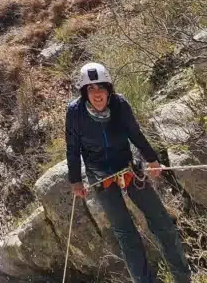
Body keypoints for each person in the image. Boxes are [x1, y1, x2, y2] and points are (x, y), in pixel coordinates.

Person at [66, 62, 191, 283]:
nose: (97, 94)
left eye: (101, 88)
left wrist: (152, 160)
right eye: (91, 89)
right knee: (126, 233)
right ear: (85, 93)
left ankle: (183, 278)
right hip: (100, 174)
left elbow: (135, 133)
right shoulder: (75, 113)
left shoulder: (120, 105)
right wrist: (76, 180)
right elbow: (73, 148)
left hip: (127, 166)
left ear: (108, 89)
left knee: (162, 222)